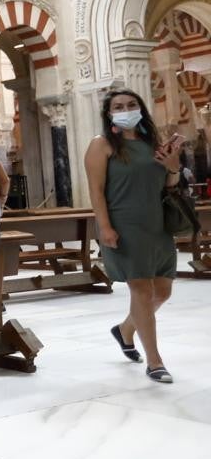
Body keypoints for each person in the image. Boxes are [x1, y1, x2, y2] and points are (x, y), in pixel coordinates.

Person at [85, 89, 181, 383]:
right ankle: (154, 361)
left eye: (131, 104)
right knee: (141, 290)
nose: (126, 109)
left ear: (141, 108)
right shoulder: (101, 146)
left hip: (157, 226)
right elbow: (96, 190)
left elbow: (169, 185)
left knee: (163, 291)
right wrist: (105, 227)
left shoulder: (152, 144)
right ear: (109, 114)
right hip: (124, 226)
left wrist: (173, 167)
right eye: (118, 106)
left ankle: (126, 330)